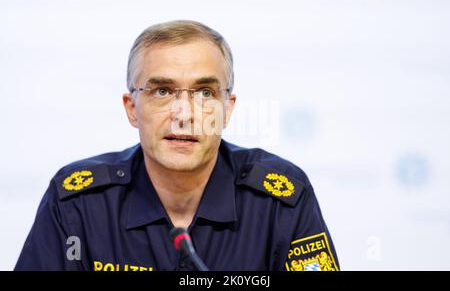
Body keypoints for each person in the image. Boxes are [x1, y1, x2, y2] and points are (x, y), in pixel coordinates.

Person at [15, 20, 339, 271]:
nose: (184, 114)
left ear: (227, 109)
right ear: (131, 108)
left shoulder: (279, 201)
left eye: (205, 93)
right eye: (162, 91)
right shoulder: (78, 204)